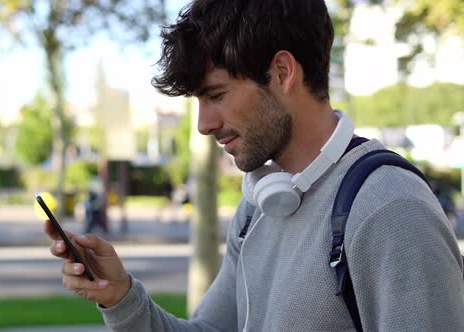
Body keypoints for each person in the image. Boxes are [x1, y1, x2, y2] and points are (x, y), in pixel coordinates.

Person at [45, 0, 464, 330]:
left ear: (282, 72)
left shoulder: (390, 209)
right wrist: (120, 297)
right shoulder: (260, 204)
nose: (204, 125)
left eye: (216, 95)